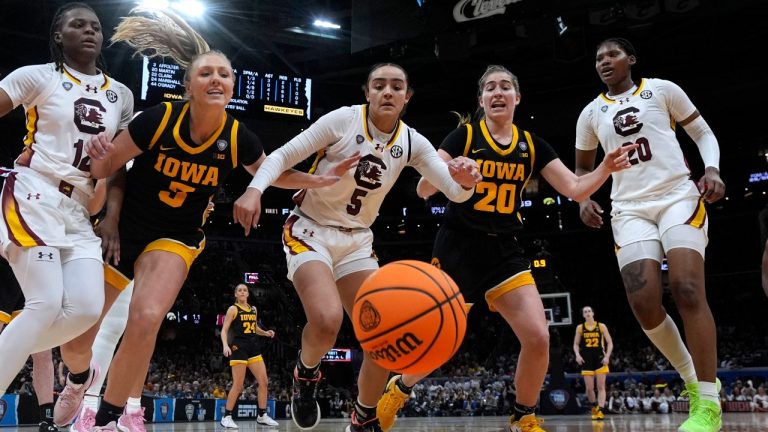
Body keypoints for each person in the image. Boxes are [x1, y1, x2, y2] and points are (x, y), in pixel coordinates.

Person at [73, 8, 349, 432]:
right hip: (125, 230)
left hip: (176, 238)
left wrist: (321, 179)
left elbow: (271, 174)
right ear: (188, 85)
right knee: (79, 334)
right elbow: (108, 167)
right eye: (206, 74)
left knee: (146, 317)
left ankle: (108, 416)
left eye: (224, 74)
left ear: (233, 85)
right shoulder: (158, 120)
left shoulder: (239, 137)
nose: (217, 79)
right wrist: (98, 174)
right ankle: (76, 386)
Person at [373, 64, 635, 432]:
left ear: (517, 98)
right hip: (458, 247)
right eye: (490, 88)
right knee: (441, 343)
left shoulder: (531, 145)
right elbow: (422, 190)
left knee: (538, 336)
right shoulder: (463, 137)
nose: (497, 92)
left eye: (505, 87)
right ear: (481, 99)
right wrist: (453, 176)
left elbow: (576, 189)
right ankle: (400, 387)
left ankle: (523, 416)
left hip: (505, 251)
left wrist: (606, 166)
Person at [232, 62, 483, 432]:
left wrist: (466, 182)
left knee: (386, 335)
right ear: (367, 92)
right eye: (379, 85)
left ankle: (363, 416)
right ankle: (305, 374)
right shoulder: (343, 120)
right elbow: (282, 156)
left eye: (396, 86)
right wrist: (255, 190)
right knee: (327, 319)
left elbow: (454, 191)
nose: (387, 92)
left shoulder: (412, 142)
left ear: (406, 97)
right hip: (310, 229)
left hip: (357, 242)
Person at [574, 37, 725, 432]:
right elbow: (581, 173)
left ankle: (708, 403)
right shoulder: (591, 113)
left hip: (677, 195)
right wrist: (583, 198)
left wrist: (711, 169)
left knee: (687, 287)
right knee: (643, 304)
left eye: (612, 55)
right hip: (629, 209)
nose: (604, 61)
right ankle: (693, 381)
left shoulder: (662, 90)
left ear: (631, 60)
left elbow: (704, 133)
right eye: (598, 58)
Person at [0, 2, 134, 402]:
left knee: (87, 310)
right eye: (78, 25)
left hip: (79, 209)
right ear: (59, 36)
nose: (90, 31)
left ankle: (10, 347)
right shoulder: (36, 77)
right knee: (44, 304)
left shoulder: (120, 96)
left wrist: (111, 218)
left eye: (95, 26)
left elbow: (120, 166)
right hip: (33, 192)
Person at [219, 283, 279, 428]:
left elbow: (254, 328)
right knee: (238, 385)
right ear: (236, 294)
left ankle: (262, 415)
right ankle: (226, 417)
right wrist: (225, 345)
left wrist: (265, 333)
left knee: (264, 381)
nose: (242, 292)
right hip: (239, 347)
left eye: (245, 290)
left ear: (248, 294)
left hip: (253, 347)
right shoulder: (233, 309)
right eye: (239, 290)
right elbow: (224, 330)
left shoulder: (253, 309)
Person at [573, 306, 613, 420]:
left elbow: (610, 343)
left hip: (600, 357)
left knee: (600, 386)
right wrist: (577, 355)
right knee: (589, 388)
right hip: (586, 358)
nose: (587, 313)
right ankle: (594, 407)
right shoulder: (580, 328)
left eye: (589, 311)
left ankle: (600, 410)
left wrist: (607, 356)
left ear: (593, 313)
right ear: (583, 315)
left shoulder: (601, 326)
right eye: (585, 312)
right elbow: (576, 344)